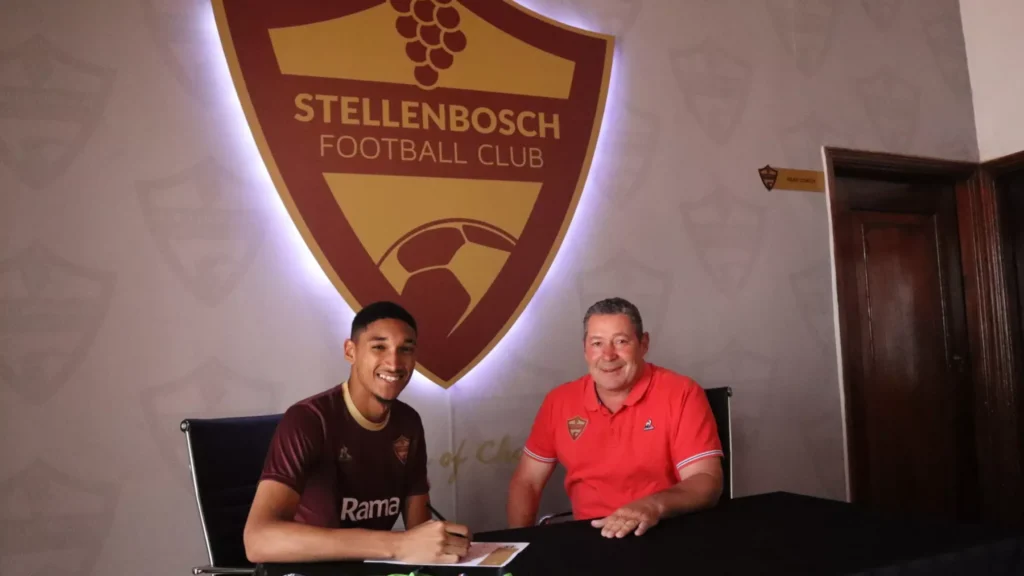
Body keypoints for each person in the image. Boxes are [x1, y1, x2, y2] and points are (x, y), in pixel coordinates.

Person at [244, 301, 471, 563]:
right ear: (350, 352)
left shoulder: (409, 422)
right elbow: (257, 541)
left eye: (406, 349)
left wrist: (444, 547)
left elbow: (418, 532)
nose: (394, 363)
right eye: (379, 347)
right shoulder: (308, 419)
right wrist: (397, 544)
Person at [507, 297, 724, 538]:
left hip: (663, 530)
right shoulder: (559, 401)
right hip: (589, 538)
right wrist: (518, 544)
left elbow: (706, 481)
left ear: (643, 344)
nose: (608, 355)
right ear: (585, 349)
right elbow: (527, 481)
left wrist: (652, 505)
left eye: (621, 341)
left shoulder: (681, 392)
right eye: (597, 343)